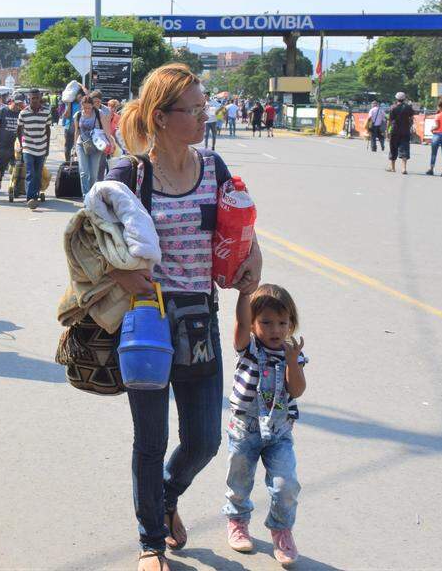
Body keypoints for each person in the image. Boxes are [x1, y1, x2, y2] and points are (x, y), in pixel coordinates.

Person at [104, 63, 262, 571]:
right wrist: (120, 274)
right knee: (150, 440)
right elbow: (92, 240)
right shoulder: (129, 174)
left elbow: (240, 227)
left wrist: (252, 259)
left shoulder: (213, 166)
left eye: (203, 106)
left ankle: (166, 497)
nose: (202, 116)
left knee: (203, 440)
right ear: (160, 116)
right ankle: (150, 540)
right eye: (192, 110)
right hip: (147, 324)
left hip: (199, 320)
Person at [224, 284, 307, 567]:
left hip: (280, 432)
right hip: (244, 430)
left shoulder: (292, 354)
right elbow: (240, 323)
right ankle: (237, 521)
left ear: (291, 324)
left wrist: (292, 362)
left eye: (283, 323)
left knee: (286, 484)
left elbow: (296, 390)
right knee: (239, 483)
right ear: (252, 324)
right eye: (266, 322)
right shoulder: (248, 348)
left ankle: (281, 529)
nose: (275, 329)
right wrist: (244, 294)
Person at [16, 88, 51, 209]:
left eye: (37, 98)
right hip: (28, 147)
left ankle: (35, 195)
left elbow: (48, 130)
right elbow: (19, 130)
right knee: (30, 172)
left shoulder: (46, 112)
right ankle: (30, 198)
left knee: (37, 173)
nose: (35, 100)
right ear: (29, 98)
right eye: (32, 98)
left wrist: (47, 146)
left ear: (40, 98)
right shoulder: (23, 113)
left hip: (41, 147)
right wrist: (21, 145)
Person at [75, 91, 112, 197]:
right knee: (84, 172)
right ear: (81, 106)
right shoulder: (77, 115)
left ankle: (91, 195)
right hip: (82, 144)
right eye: (84, 108)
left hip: (96, 145)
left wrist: (111, 142)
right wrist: (74, 148)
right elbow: (77, 132)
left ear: (92, 106)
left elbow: (106, 130)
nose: (87, 110)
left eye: (89, 108)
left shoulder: (98, 113)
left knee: (93, 174)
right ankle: (86, 196)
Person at [0, 93, 22, 192]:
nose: (18, 106)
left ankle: (15, 186)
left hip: (16, 146)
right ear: (12, 101)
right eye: (17, 103)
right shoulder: (3, 111)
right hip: (3, 145)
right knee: (1, 167)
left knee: (17, 167)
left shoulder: (22, 113)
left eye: (20, 103)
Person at [387, 92, 415, 174]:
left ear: (396, 98)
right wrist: (409, 126)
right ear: (404, 99)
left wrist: (387, 131)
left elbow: (390, 121)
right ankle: (404, 168)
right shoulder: (408, 107)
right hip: (405, 131)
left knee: (393, 148)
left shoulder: (393, 107)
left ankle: (392, 168)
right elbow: (412, 119)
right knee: (405, 149)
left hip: (394, 130)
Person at [425, 96, 442, 176]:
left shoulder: (438, 115)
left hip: (437, 135)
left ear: (440, 106)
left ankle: (431, 169)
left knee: (434, 153)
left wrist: (431, 129)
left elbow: (437, 126)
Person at [61, 84, 84, 163]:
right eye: (79, 97)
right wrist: (69, 104)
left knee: (78, 147)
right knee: (68, 146)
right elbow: (66, 115)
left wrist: (81, 85)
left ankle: (77, 163)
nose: (80, 98)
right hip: (69, 127)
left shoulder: (83, 105)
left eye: (81, 97)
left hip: (79, 129)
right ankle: (67, 162)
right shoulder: (70, 103)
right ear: (76, 95)